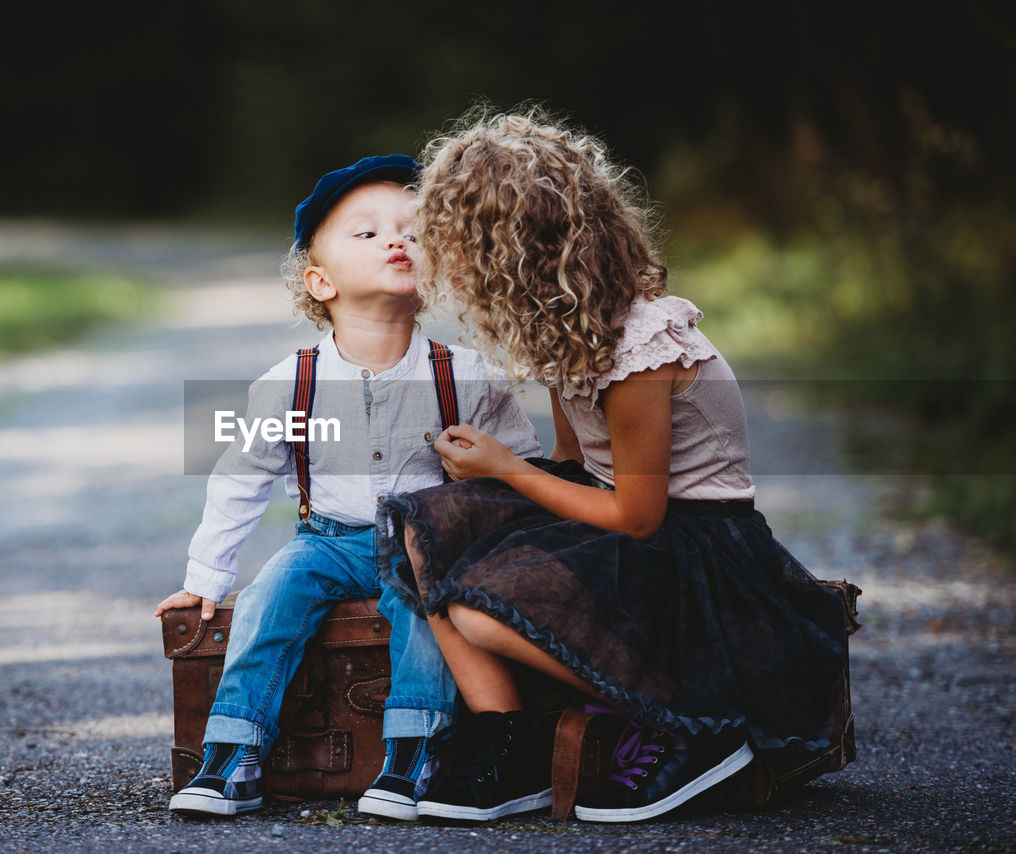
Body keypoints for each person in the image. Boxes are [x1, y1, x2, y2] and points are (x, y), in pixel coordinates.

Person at [376, 113, 850, 823]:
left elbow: (638, 515)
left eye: (463, 252)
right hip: (623, 519)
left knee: (478, 612)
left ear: (512, 255)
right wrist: (484, 484)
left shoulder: (640, 348)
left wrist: (507, 468)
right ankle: (513, 742)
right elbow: (571, 464)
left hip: (697, 549)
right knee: (427, 534)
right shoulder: (564, 330)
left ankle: (696, 718)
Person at [157, 154, 543, 820]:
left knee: (428, 610)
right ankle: (233, 751)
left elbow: (526, 472)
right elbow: (239, 480)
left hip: (427, 548)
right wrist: (206, 578)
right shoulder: (291, 383)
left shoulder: (468, 376)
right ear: (320, 281)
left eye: (414, 231)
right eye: (365, 234)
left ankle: (414, 753)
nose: (397, 240)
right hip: (326, 543)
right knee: (268, 599)